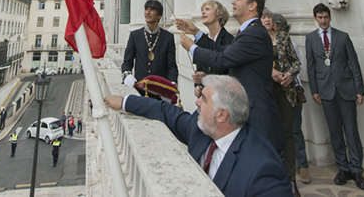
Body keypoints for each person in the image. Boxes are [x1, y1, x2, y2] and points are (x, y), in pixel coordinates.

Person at [104, 75, 291, 196]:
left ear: (221, 115)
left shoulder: (264, 170)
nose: (196, 102)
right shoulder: (202, 129)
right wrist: (125, 102)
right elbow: (167, 113)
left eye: (204, 99)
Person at [180, 0, 285, 155]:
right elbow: (224, 51)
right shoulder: (248, 31)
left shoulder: (254, 33)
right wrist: (196, 33)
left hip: (256, 113)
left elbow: (222, 60)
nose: (232, 2)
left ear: (252, 6)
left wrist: (192, 48)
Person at [305, 3, 364, 189]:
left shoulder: (342, 36)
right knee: (335, 131)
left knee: (351, 130)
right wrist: (315, 90)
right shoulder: (311, 39)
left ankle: (357, 169)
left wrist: (359, 89)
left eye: (326, 17)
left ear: (330, 17)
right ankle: (343, 167)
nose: (323, 20)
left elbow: (354, 63)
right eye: (320, 17)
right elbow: (311, 66)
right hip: (325, 91)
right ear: (315, 18)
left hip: (345, 89)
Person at [268, 12, 302, 197]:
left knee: (288, 133)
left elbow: (296, 62)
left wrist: (290, 74)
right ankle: (273, 175)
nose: (266, 21)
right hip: (266, 92)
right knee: (270, 133)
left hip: (285, 91)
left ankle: (290, 179)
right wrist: (270, 70)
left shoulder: (283, 38)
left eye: (268, 18)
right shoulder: (256, 39)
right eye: (263, 18)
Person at [176, 0, 233, 95]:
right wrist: (197, 86)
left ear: (219, 15)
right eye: (202, 10)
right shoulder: (203, 40)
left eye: (207, 9)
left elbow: (226, 71)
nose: (203, 12)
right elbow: (199, 69)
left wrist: (206, 79)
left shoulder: (229, 40)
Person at [122, 0, 178, 85]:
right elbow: (127, 61)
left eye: (152, 10)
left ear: (159, 16)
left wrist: (173, 83)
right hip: (140, 87)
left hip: (160, 88)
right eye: (146, 9)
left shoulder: (168, 37)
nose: (147, 13)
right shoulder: (135, 35)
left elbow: (171, 65)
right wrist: (127, 75)